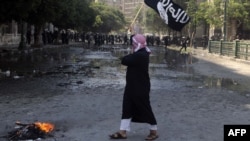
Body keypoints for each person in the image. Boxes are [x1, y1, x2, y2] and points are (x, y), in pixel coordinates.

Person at [109, 34, 159, 140]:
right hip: (132, 86)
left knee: (145, 108)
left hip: (140, 86)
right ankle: (122, 131)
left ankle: (153, 131)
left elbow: (124, 60)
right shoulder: (142, 52)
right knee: (127, 108)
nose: (132, 44)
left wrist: (131, 53)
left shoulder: (141, 55)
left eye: (133, 43)